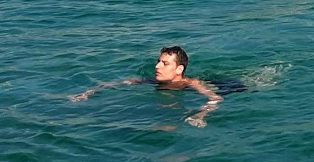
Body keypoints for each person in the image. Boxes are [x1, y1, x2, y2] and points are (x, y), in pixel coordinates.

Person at [69, 46, 223, 127]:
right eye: (158, 61)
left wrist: (200, 114)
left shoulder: (191, 83)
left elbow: (215, 98)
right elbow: (115, 83)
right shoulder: (152, 81)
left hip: (227, 86)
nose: (157, 66)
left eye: (165, 63)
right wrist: (86, 93)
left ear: (179, 69)